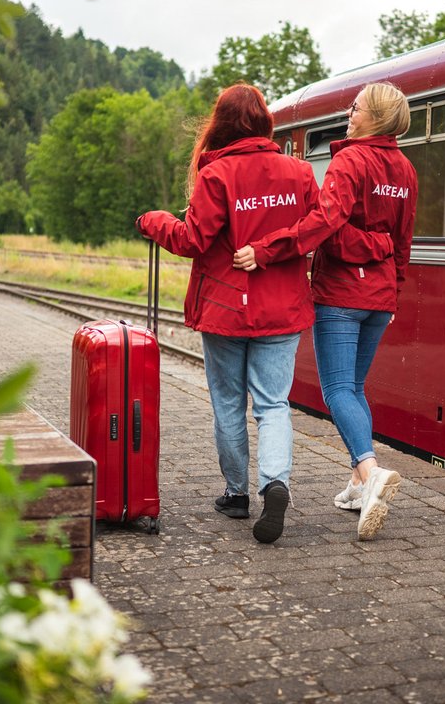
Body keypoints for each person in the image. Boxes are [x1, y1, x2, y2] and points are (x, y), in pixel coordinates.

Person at [136, 83, 386, 544]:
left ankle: (236, 494)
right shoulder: (298, 172)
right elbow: (315, 230)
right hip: (283, 309)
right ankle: (276, 484)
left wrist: (152, 220)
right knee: (273, 405)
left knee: (229, 403)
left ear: (222, 124)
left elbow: (192, 240)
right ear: (265, 122)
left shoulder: (217, 176)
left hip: (226, 310)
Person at [233, 81, 417, 541]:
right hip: (379, 299)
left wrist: (268, 249)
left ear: (375, 117)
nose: (349, 113)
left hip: (341, 294)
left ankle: (370, 470)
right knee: (354, 388)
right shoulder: (407, 170)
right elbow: (403, 242)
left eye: (356, 108)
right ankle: (358, 485)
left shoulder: (349, 161)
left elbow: (325, 224)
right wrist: (393, 289)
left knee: (336, 389)